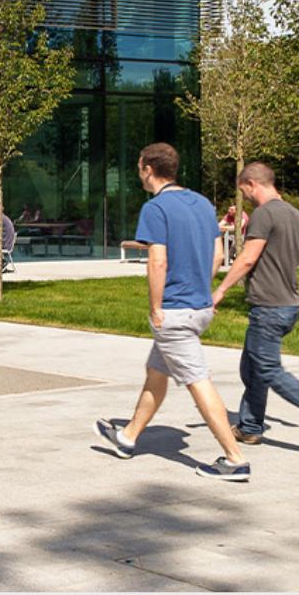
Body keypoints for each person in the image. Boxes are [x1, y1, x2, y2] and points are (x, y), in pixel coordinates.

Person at [94, 142, 251, 481]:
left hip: (174, 313)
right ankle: (127, 437)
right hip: (198, 307)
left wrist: (155, 307)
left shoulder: (156, 208)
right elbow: (218, 257)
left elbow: (158, 260)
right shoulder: (202, 203)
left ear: (148, 169)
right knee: (157, 372)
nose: (138, 172)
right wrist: (202, 292)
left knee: (197, 381)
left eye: (139, 167)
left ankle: (235, 458)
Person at [211, 162, 299, 460]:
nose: (244, 197)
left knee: (268, 370)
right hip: (288, 305)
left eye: (243, 191)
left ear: (251, 184)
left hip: (269, 308)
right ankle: (250, 426)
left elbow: (248, 258)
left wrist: (220, 290)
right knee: (251, 367)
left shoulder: (264, 215)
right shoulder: (298, 218)